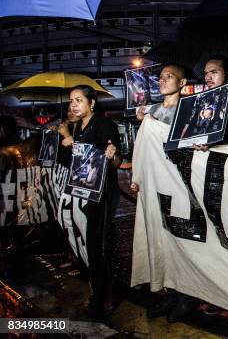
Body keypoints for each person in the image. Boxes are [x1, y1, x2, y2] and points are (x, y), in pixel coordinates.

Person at [67, 85, 121, 319]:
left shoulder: (103, 124)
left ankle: (104, 298)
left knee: (101, 244)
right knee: (91, 244)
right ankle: (98, 293)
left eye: (79, 100)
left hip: (104, 195)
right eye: (71, 101)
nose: (74, 105)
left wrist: (112, 153)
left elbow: (117, 161)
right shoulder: (79, 126)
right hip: (87, 194)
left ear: (92, 103)